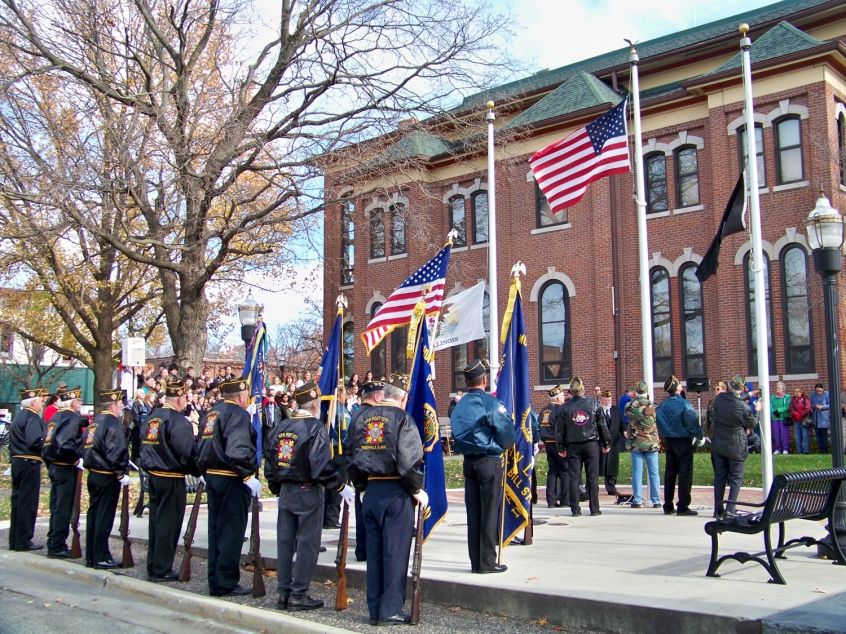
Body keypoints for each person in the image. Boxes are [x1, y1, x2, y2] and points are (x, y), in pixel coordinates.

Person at [264, 380, 354, 611]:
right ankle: (298, 594)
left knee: (285, 543)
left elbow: (270, 463)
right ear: (315, 405)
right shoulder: (315, 428)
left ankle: (283, 592)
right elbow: (320, 466)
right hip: (308, 490)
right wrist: (340, 486)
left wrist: (277, 488)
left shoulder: (281, 426)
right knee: (307, 544)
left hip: (286, 490)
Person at [346, 373, 426, 626]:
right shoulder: (403, 419)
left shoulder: (362, 418)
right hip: (395, 491)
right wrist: (416, 490)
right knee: (395, 553)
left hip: (370, 491)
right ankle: (390, 609)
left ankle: (374, 608)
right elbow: (409, 460)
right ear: (402, 398)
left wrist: (361, 485)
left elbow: (352, 455)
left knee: (375, 553)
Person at [196, 378, 260, 597]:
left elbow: (200, 445)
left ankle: (215, 579)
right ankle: (226, 582)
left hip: (213, 476)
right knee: (231, 532)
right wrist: (248, 475)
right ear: (241, 396)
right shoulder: (238, 415)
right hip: (232, 477)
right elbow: (237, 450)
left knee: (216, 531)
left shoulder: (212, 413)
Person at [450, 360, 515, 574]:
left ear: (467, 381)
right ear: (485, 380)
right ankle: (487, 562)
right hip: (489, 460)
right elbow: (507, 434)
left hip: (469, 462)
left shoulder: (458, 405)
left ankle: (476, 561)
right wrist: (496, 445)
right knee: (488, 513)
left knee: (474, 513)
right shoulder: (490, 403)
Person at [139, 380, 199, 581]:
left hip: (154, 475)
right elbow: (187, 452)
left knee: (156, 522)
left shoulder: (153, 417)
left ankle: (154, 564)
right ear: (180, 399)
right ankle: (162, 568)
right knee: (168, 524)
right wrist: (198, 470)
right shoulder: (179, 421)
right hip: (171, 476)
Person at [83, 389, 130, 569]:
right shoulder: (113, 423)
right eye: (120, 404)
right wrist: (120, 473)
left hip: (94, 473)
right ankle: (101, 555)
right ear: (113, 404)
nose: (122, 407)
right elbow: (115, 451)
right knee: (103, 516)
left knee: (94, 515)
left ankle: (92, 555)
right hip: (106, 474)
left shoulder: (95, 422)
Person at [554, 376, 610, 517]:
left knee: (574, 477)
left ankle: (575, 509)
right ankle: (595, 508)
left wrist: (561, 447)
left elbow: (559, 430)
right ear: (582, 389)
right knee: (592, 477)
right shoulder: (593, 404)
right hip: (591, 444)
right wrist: (606, 443)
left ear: (571, 392)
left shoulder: (565, 408)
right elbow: (602, 425)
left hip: (573, 445)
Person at [345, 379, 387, 562]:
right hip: (372, 470)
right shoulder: (373, 415)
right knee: (372, 518)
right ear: (377, 396)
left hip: (358, 470)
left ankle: (361, 549)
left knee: (361, 513)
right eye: (383, 395)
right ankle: (368, 550)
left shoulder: (356, 413)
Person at [41, 386, 85, 558]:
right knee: (63, 507)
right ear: (73, 402)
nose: (80, 404)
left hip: (54, 465)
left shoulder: (56, 417)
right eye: (79, 401)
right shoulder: (71, 418)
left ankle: (53, 539)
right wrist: (76, 459)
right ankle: (57, 544)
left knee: (56, 505)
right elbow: (65, 444)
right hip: (66, 466)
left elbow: (46, 444)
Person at [711, 375, 758, 517]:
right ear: (741, 388)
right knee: (736, 478)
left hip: (719, 444)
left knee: (719, 477)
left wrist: (748, 394)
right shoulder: (741, 406)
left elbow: (732, 398)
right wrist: (757, 410)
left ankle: (718, 509)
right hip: (735, 446)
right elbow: (751, 423)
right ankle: (730, 509)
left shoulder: (719, 399)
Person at [655, 375, 702, 516]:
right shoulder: (684, 404)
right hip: (683, 440)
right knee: (684, 474)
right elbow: (692, 422)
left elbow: (659, 420)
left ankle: (668, 505)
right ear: (678, 388)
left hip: (669, 441)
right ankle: (683, 506)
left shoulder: (662, 406)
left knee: (670, 473)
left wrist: (666, 434)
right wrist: (699, 435)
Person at [9, 387, 48, 551]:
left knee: (18, 501)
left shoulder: (19, 417)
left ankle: (15, 539)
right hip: (29, 462)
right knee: (28, 502)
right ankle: (24, 540)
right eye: (40, 400)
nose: (42, 403)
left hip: (18, 461)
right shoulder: (32, 417)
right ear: (33, 402)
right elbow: (34, 441)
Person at [624, 382, 660, 509]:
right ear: (647, 392)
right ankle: (656, 500)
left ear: (635, 392)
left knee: (637, 472)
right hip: (651, 442)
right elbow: (654, 420)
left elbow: (629, 418)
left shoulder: (629, 406)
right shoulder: (653, 406)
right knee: (654, 472)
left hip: (636, 442)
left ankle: (638, 500)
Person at [323, 385, 350, 530]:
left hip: (329, 451)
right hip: (339, 451)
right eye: (344, 393)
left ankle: (325, 518)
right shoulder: (341, 411)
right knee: (338, 486)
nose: (346, 395)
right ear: (340, 394)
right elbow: (346, 433)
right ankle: (332, 518)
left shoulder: (329, 409)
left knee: (328, 486)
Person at [538, 385, 568, 508]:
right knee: (564, 471)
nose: (564, 398)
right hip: (558, 443)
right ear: (556, 398)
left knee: (552, 471)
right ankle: (565, 500)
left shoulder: (544, 411)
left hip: (547, 444)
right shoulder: (560, 410)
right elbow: (562, 428)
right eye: (562, 396)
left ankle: (551, 500)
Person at [598, 389, 624, 496]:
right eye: (605, 400)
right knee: (598, 465)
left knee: (612, 465)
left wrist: (624, 431)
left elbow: (622, 423)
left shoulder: (615, 410)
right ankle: (592, 488)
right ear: (601, 400)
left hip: (614, 443)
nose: (607, 402)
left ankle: (611, 486)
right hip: (600, 443)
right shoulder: (597, 410)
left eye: (609, 400)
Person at [789, 386, 812, 455]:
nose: (796, 393)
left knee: (805, 436)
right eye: (795, 392)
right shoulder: (793, 399)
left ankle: (805, 451)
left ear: (801, 392)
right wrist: (795, 414)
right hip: (796, 420)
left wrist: (801, 414)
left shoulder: (806, 399)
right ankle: (799, 451)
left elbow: (808, 408)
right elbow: (791, 408)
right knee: (797, 436)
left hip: (804, 420)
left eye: (798, 392)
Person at [770, 381, 791, 454]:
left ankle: (785, 449)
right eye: (777, 388)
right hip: (775, 418)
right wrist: (774, 411)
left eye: (779, 388)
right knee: (776, 434)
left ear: (783, 389)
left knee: (784, 434)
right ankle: (778, 449)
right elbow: (770, 406)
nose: (777, 389)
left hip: (783, 418)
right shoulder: (772, 397)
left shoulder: (787, 397)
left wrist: (778, 411)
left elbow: (786, 407)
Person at [811, 383, 831, 453]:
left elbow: (830, 404)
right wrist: (815, 405)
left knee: (824, 435)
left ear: (823, 389)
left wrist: (822, 406)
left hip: (824, 418)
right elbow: (811, 404)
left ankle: (825, 450)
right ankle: (820, 450)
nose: (818, 392)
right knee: (818, 436)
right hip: (816, 417)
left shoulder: (827, 394)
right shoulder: (812, 394)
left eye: (820, 391)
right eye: (817, 391)